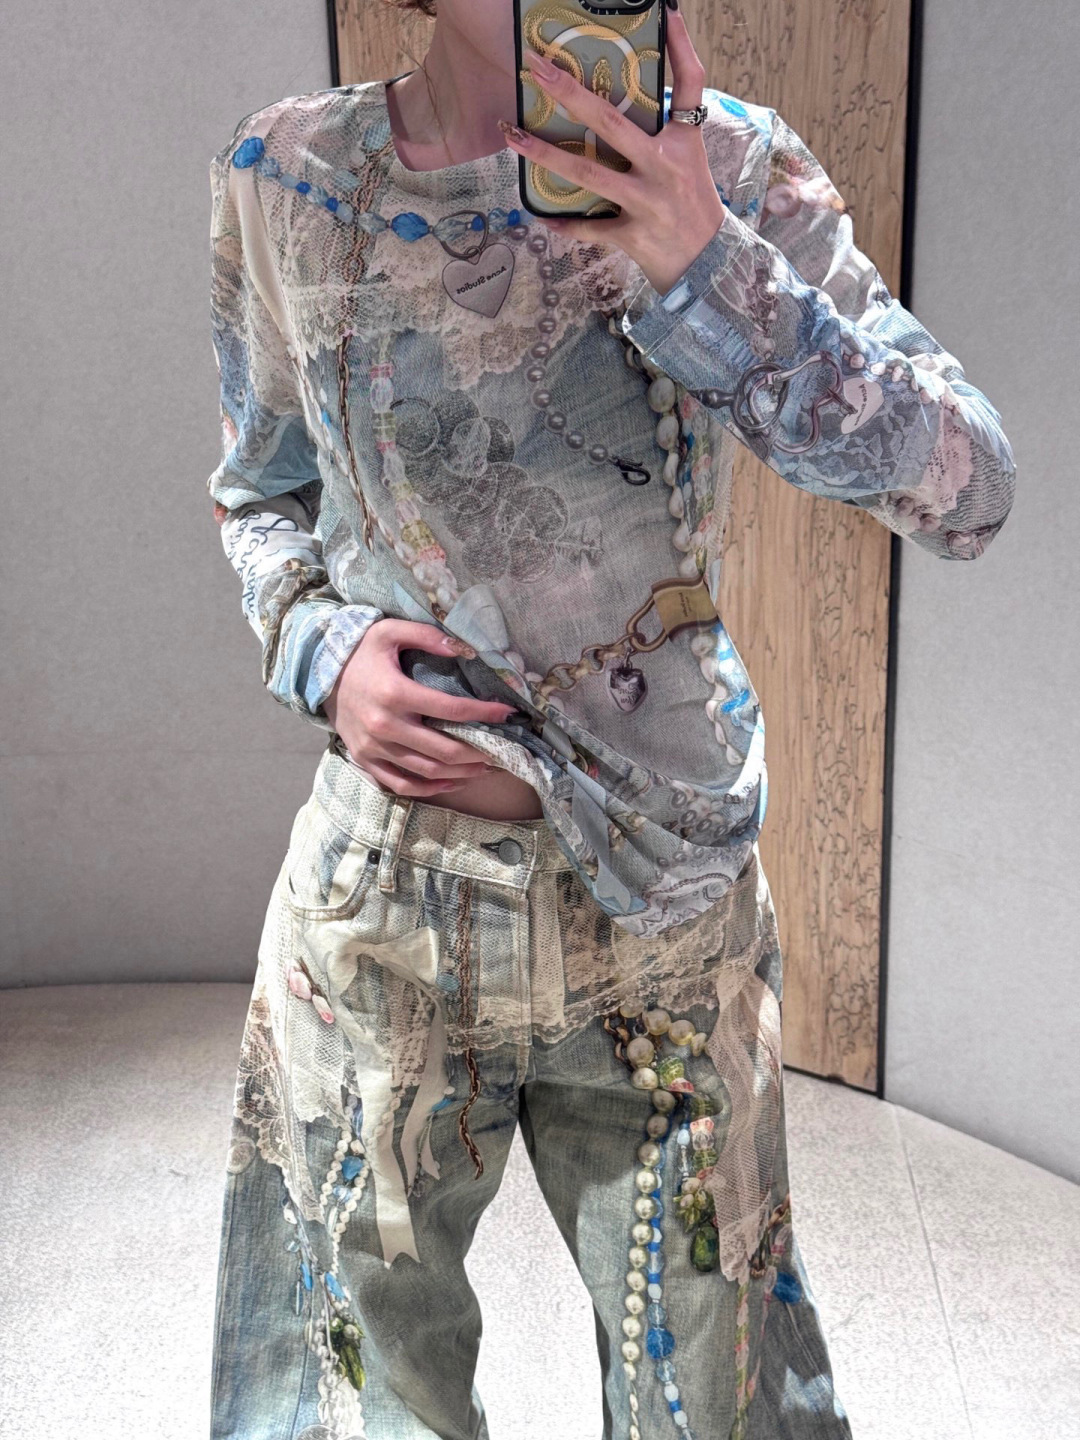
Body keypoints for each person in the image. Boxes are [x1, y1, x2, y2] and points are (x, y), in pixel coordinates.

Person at [204, 1, 1016, 1436]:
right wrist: (324, 649)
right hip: (385, 906)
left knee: (719, 1399)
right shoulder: (290, 177)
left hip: (664, 905)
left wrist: (708, 269)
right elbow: (261, 496)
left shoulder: (733, 171)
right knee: (349, 1401)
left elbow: (967, 488)